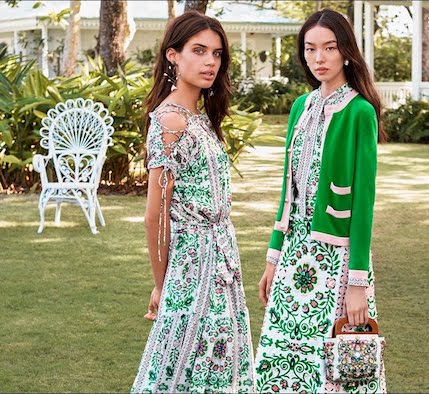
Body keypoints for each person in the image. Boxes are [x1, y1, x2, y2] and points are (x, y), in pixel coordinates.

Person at [254, 9, 387, 393]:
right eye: (311, 49)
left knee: (336, 366)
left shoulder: (360, 111)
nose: (319, 58)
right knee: (280, 365)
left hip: (337, 261)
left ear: (346, 51)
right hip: (293, 255)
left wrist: (357, 283)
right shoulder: (300, 107)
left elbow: (363, 203)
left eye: (329, 48)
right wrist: (272, 258)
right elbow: (287, 191)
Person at [131, 11, 254, 393]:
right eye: (198, 51)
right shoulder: (169, 121)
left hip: (222, 260)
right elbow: (155, 215)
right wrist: (160, 283)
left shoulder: (197, 118)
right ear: (173, 55)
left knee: (218, 360)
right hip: (192, 264)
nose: (210, 62)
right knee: (181, 359)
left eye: (216, 54)